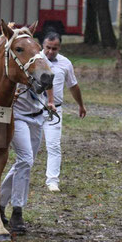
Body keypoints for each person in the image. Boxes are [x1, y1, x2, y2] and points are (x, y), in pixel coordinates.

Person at [0, 84, 55, 234]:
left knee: (25, 163)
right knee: (25, 159)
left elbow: (48, 80)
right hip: (17, 117)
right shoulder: (16, 62)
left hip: (38, 116)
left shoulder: (41, 61)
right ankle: (17, 212)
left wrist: (50, 100)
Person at [41, 32, 86, 192]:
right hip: (34, 109)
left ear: (59, 47)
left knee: (53, 145)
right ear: (43, 46)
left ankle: (52, 180)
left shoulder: (65, 63)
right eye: (48, 48)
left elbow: (73, 85)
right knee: (29, 147)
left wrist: (80, 105)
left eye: (55, 48)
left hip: (55, 110)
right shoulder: (35, 60)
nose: (51, 51)